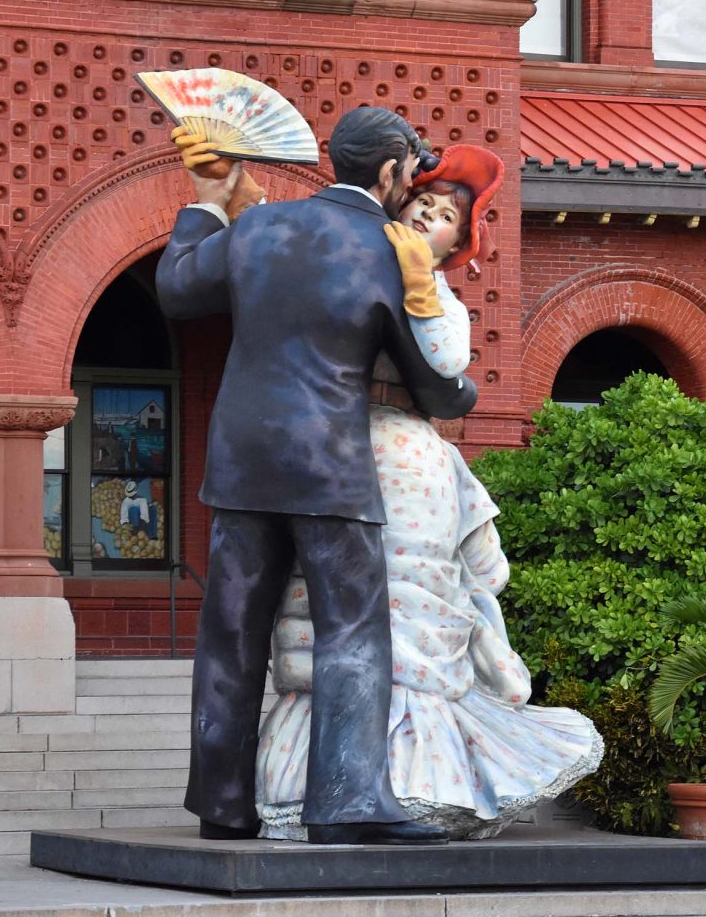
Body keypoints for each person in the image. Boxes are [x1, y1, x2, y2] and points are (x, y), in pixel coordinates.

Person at [213, 143, 605, 839]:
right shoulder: (349, 263)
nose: (432, 212)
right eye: (425, 200)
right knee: (328, 613)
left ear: (461, 241)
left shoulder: (432, 291)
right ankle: (326, 785)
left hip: (407, 460)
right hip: (328, 448)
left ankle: (412, 777)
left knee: (416, 604)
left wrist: (423, 287)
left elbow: (450, 363)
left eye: (449, 214)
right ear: (395, 198)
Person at [156, 107, 478, 846]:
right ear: (393, 171)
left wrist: (210, 196)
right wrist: (465, 397)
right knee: (353, 633)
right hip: (329, 465)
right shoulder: (393, 247)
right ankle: (347, 802)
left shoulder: (261, 229)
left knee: (231, 631)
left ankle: (223, 802)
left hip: (240, 459)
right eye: (411, 173)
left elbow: (176, 288)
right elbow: (431, 384)